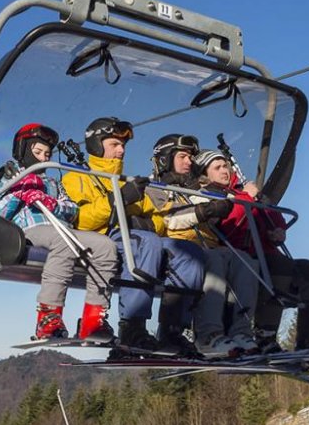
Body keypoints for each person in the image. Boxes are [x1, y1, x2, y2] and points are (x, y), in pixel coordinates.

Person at [62, 117, 205, 354]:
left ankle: (173, 330)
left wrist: (140, 221)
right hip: (101, 239)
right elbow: (80, 220)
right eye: (114, 145)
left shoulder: (127, 182)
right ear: (97, 145)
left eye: (123, 146)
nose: (121, 151)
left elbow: (160, 220)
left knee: (188, 251)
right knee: (146, 242)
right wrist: (117, 202)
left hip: (134, 237)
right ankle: (132, 326)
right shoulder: (76, 177)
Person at [194, 150, 309, 352]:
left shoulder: (244, 193)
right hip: (239, 255)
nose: (224, 170)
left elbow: (271, 215)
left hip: (265, 251)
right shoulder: (210, 196)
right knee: (279, 267)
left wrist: (278, 230)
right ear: (206, 174)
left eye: (225, 166)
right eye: (217, 168)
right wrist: (247, 198)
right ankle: (264, 333)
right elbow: (229, 226)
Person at [0, 123, 118, 343]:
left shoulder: (53, 182)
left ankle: (93, 318)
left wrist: (51, 203)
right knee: (62, 241)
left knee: (105, 245)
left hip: (63, 228)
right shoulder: (9, 178)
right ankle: (48, 315)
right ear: (23, 150)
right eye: (38, 152)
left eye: (47, 154)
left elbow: (72, 210)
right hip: (31, 230)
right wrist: (18, 193)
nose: (43, 158)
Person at [145, 134, 257, 358]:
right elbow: (168, 218)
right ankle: (208, 335)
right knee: (213, 259)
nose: (189, 162)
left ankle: (241, 331)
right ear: (166, 159)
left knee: (246, 261)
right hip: (179, 245)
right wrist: (203, 211)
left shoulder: (194, 188)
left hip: (207, 244)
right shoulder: (155, 187)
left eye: (191, 158)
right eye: (183, 157)